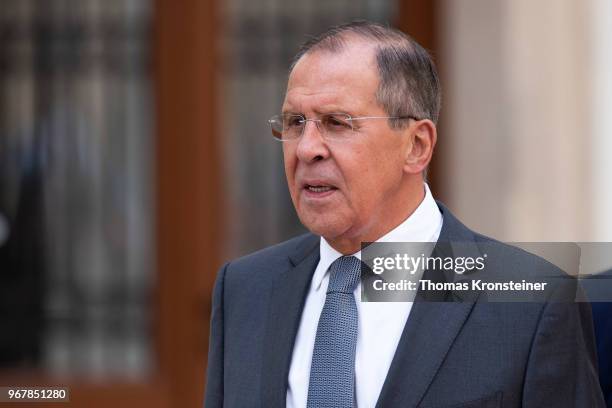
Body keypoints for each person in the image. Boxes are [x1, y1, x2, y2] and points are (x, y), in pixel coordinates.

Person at [204, 21, 604, 407]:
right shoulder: (246, 288)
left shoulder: (535, 300)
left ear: (416, 145)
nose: (307, 148)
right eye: (295, 123)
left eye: (337, 123)